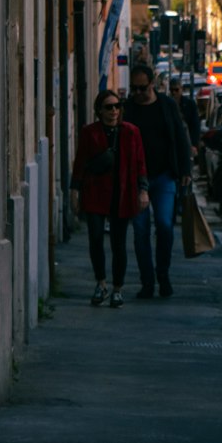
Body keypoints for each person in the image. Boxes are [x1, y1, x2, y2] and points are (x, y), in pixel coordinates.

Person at [70, 89, 149, 309]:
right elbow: (80, 162)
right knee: (95, 238)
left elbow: (141, 163)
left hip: (121, 194)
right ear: (99, 110)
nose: (114, 111)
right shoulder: (90, 132)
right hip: (95, 192)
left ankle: (117, 288)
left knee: (118, 243)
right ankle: (101, 283)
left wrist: (143, 190)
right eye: (108, 107)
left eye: (117, 106)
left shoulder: (131, 132)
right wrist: (74, 190)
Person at [124, 62, 192, 298]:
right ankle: (147, 281)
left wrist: (185, 169)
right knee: (141, 231)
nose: (138, 94)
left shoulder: (167, 105)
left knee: (164, 225)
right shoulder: (128, 108)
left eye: (142, 88)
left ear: (152, 84)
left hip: (164, 175)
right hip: (136, 180)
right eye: (134, 89)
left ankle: (163, 274)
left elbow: (180, 136)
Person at [169, 76, 201, 153]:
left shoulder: (190, 104)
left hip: (186, 142)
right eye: (171, 90)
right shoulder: (166, 104)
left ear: (181, 89)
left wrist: (193, 144)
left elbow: (195, 125)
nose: (174, 93)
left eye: (176, 90)